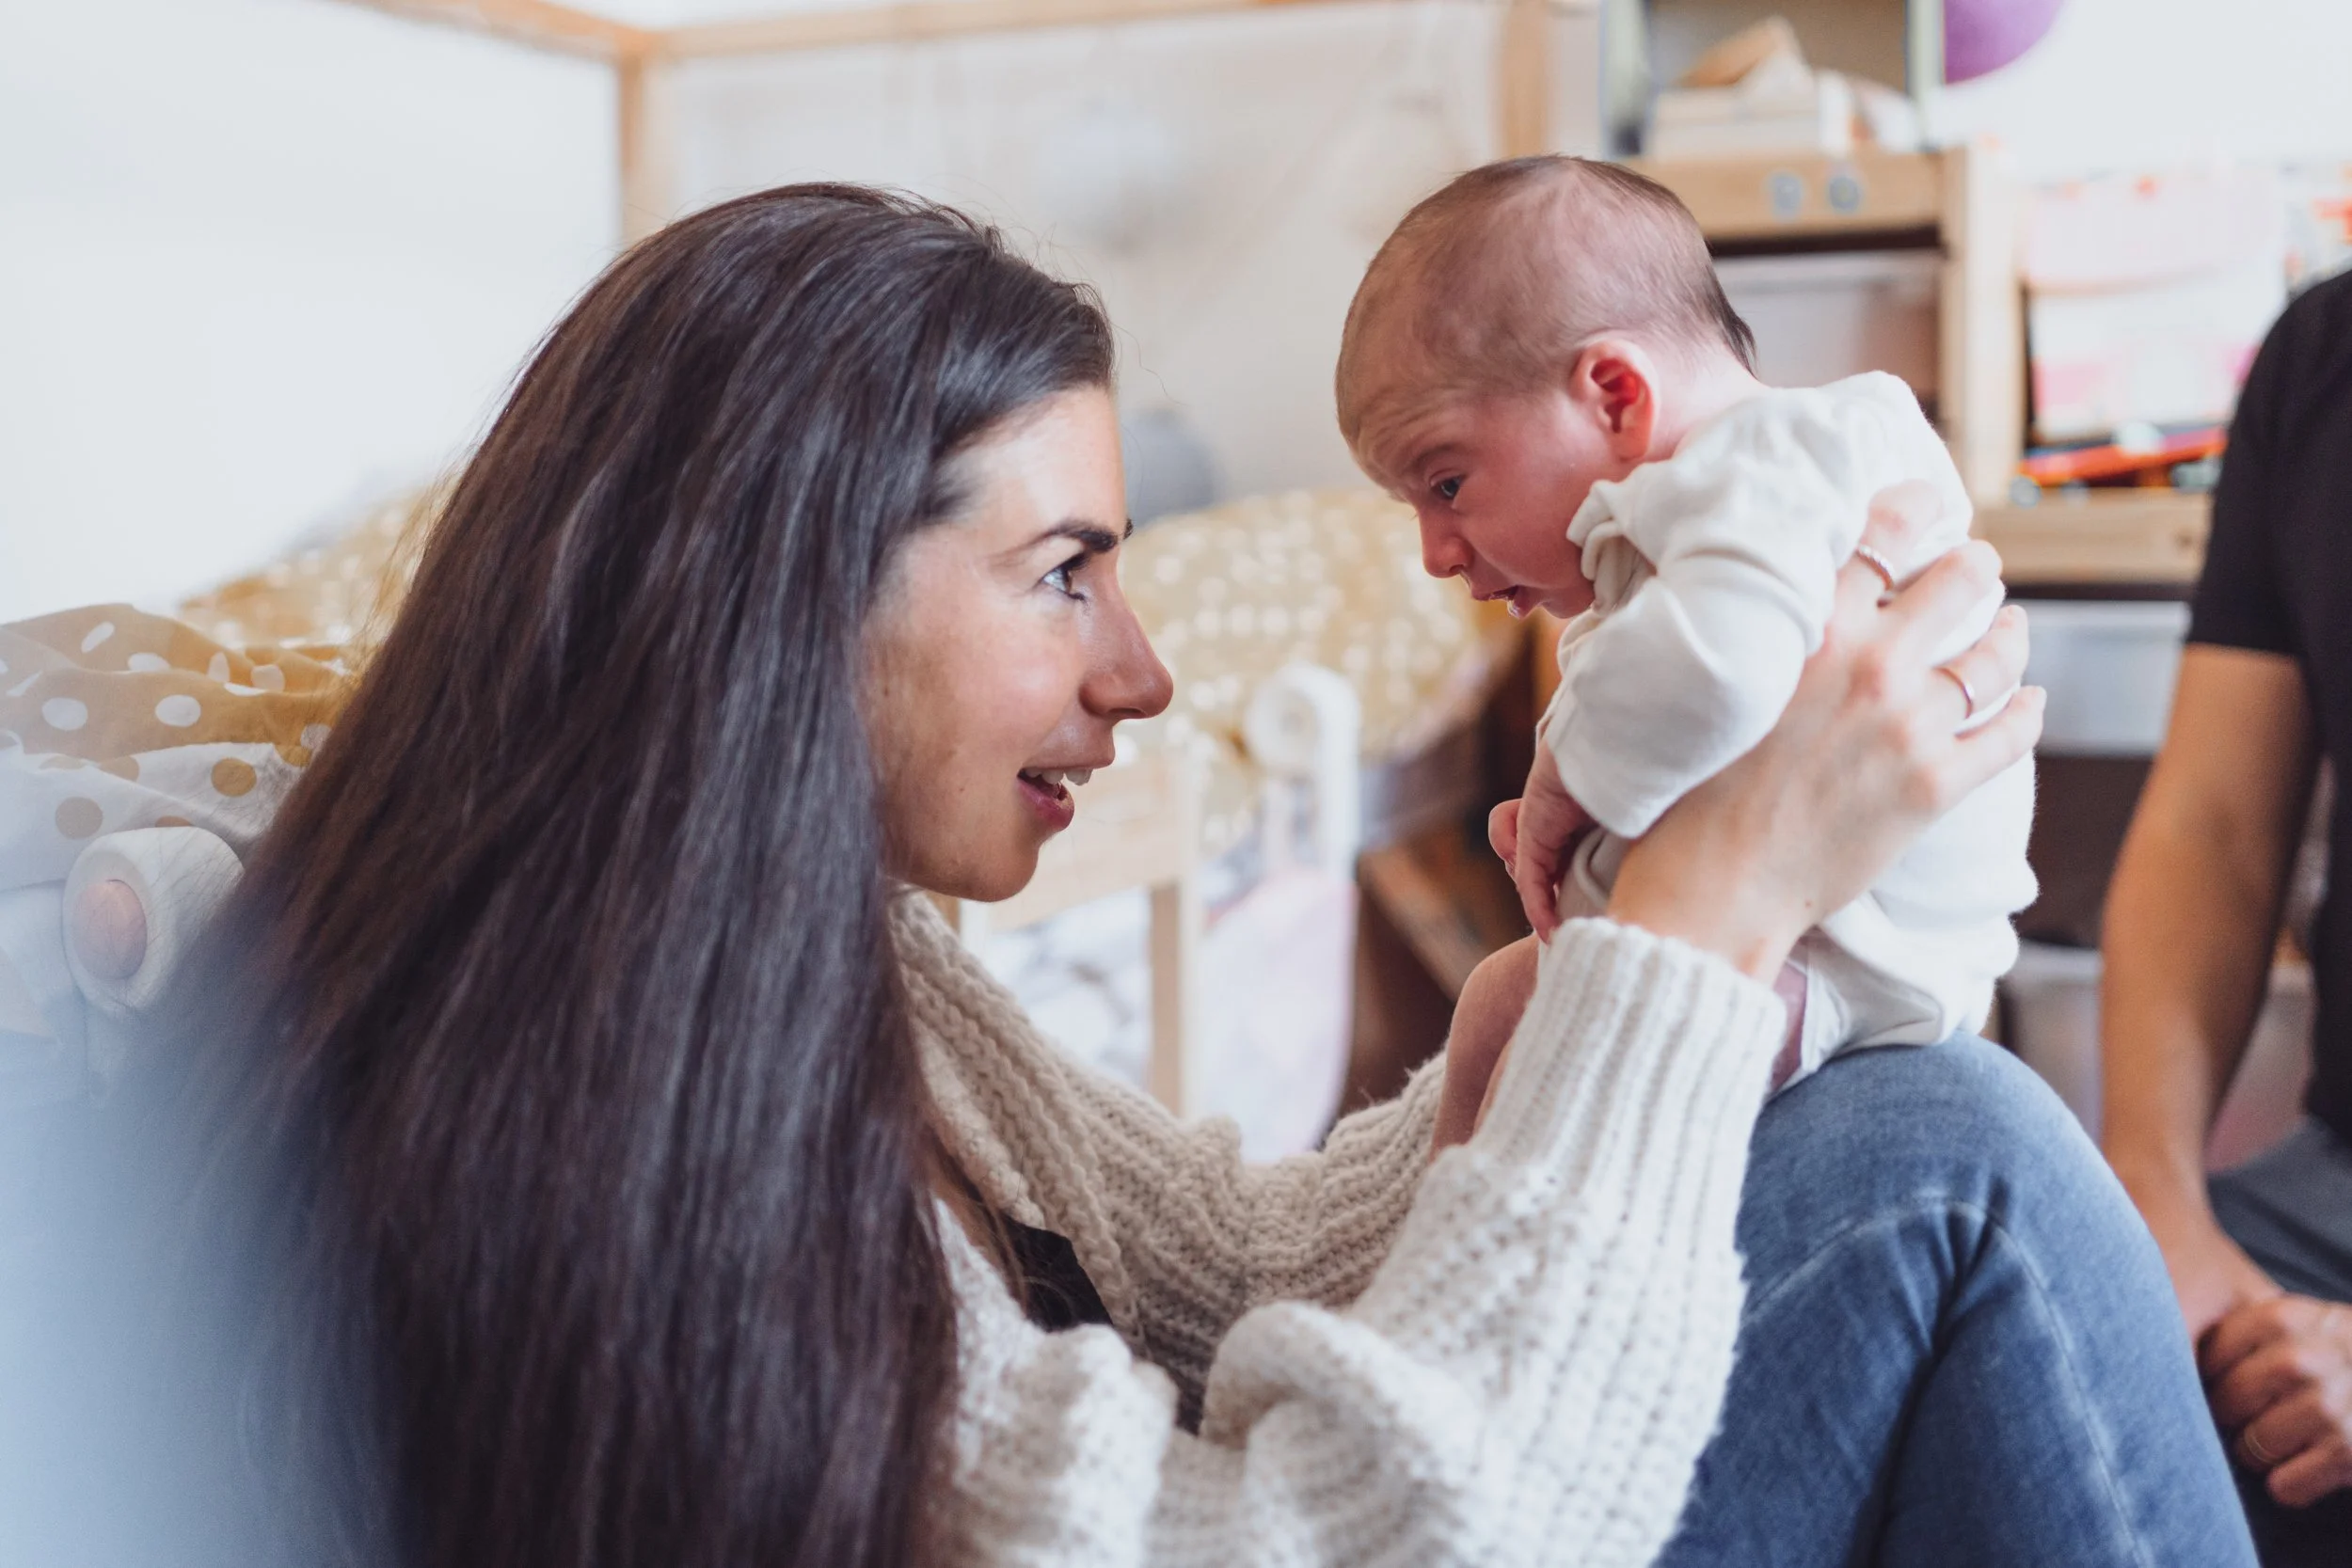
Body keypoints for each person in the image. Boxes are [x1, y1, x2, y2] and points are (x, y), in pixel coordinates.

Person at [11, 184, 2252, 1568]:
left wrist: (1545, 1038)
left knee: (1910, 1134)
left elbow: (1197, 1258)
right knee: (1946, 1156)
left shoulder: (836, 978)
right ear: (784, 585)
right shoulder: (613, 1129)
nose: (1152, 671)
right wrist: (1707, 914)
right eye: (1069, 575)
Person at [1334, 156, 2035, 1093]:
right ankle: (1436, 1219)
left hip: (1849, 972)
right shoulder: (1704, 510)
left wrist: (1563, 780)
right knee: (1500, 1007)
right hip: (1791, 940)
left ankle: (1509, 1224)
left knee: (1570, 1059)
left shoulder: (1774, 464)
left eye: (1448, 483)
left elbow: (1720, 669)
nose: (1435, 550)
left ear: (1615, 396)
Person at [2102, 265, 2352, 1561]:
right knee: (2028, 1321)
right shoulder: (2321, 358)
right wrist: (2160, 1202)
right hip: (2333, 1185)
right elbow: (2216, 831)